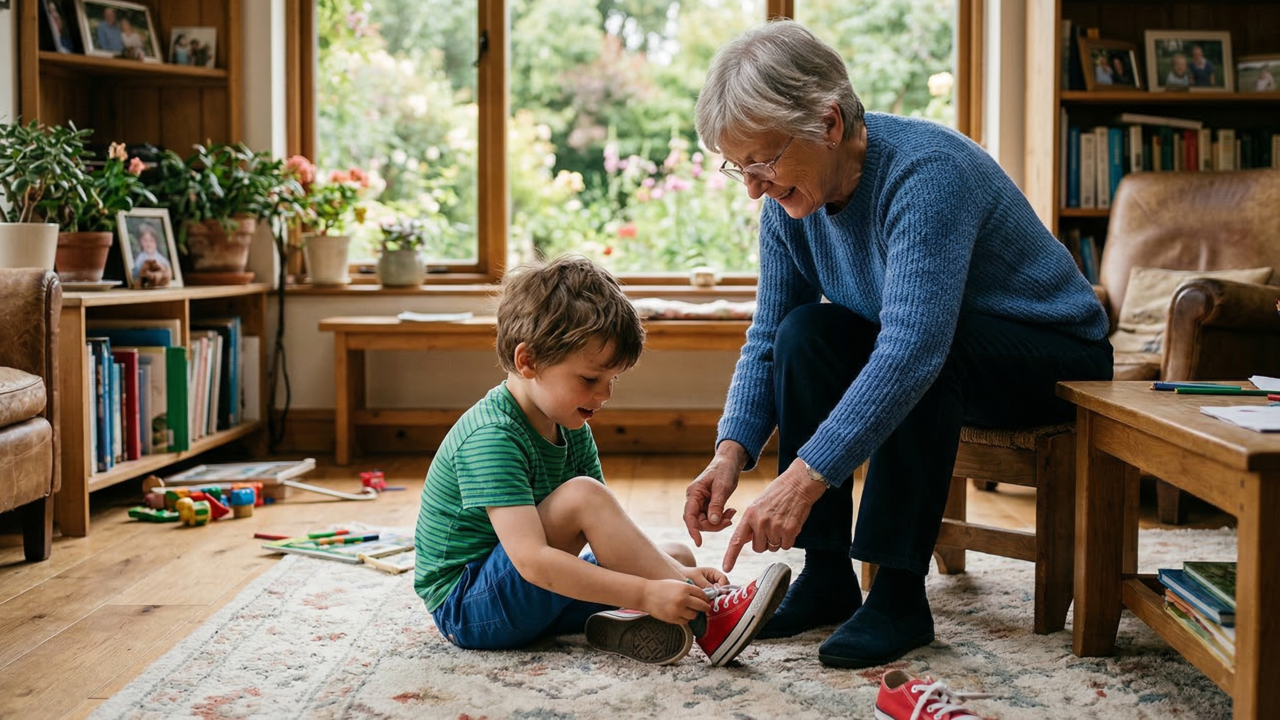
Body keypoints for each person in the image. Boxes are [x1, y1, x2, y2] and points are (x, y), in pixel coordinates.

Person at [684, 19, 1112, 670]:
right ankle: (826, 576)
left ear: (829, 123)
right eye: (739, 167)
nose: (754, 186)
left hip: (1054, 351)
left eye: (764, 160)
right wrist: (729, 453)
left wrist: (801, 480)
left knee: (927, 352)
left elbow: (912, 349)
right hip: (949, 347)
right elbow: (770, 335)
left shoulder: (925, 171)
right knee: (807, 333)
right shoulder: (787, 207)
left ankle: (897, 593)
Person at [415, 255, 791, 666]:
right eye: (591, 379)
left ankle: (624, 618)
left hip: (521, 591)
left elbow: (605, 533)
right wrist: (648, 590)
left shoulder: (571, 427)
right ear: (529, 361)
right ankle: (709, 620)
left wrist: (675, 576)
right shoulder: (491, 436)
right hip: (470, 609)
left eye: (613, 379)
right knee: (594, 507)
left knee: (677, 556)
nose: (606, 394)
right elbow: (533, 561)